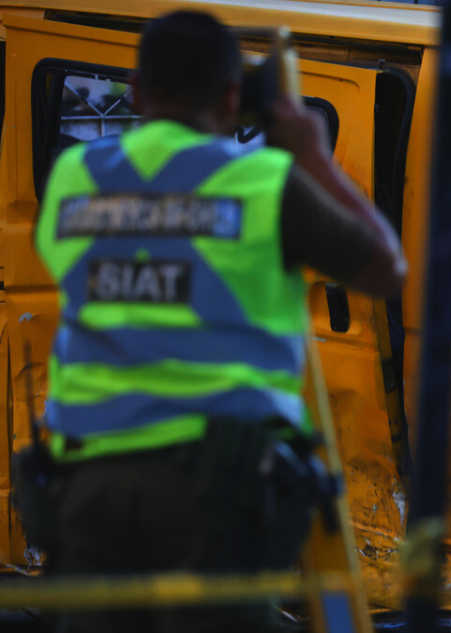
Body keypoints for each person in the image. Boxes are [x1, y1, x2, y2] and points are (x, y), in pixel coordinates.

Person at [30, 10, 406, 632]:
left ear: (139, 90)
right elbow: (384, 270)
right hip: (215, 489)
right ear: (233, 98)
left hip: (87, 485)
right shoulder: (263, 183)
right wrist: (313, 157)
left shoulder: (76, 178)